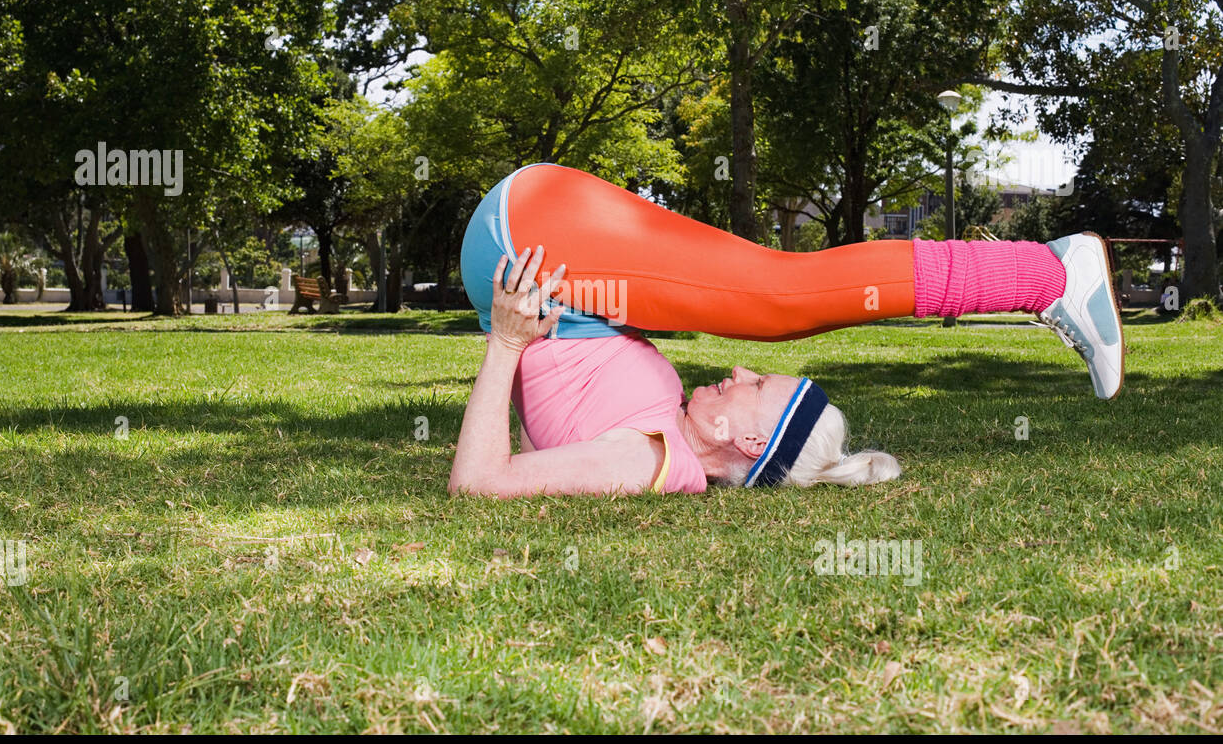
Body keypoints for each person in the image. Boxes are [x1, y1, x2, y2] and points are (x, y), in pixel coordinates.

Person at [448, 163, 1124, 498]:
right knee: (777, 298)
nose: (739, 371)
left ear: (741, 438)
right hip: (536, 249)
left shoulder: (649, 460)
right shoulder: (669, 438)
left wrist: (506, 341)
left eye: (758, 385)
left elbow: (479, 480)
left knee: (781, 295)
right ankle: (1044, 277)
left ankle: (1050, 275)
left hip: (529, 239)